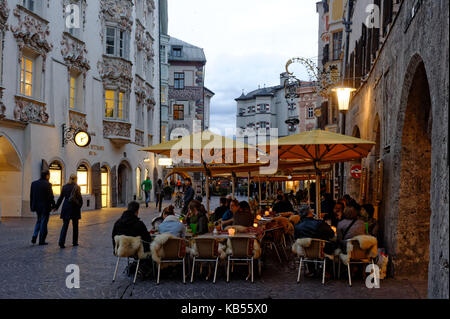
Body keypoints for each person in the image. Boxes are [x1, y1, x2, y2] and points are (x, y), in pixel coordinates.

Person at [54, 174, 83, 248]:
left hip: (66, 207)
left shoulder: (64, 187)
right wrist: (80, 205)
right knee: (75, 226)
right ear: (76, 179)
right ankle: (75, 242)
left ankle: (61, 242)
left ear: (69, 178)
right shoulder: (77, 187)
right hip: (74, 208)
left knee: (65, 226)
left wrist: (56, 206)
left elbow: (60, 198)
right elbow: (79, 198)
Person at [30, 170, 55, 245]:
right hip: (45, 207)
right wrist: (53, 205)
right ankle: (41, 240)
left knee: (39, 221)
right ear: (47, 176)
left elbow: (31, 196)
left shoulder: (34, 183)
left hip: (37, 207)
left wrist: (32, 205)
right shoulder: (48, 184)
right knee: (43, 223)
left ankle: (34, 236)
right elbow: (51, 197)